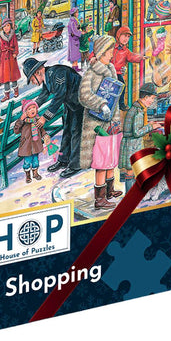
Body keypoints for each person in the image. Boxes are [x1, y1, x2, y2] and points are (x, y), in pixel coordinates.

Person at [78, 35, 124, 210]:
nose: (112, 53)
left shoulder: (111, 68)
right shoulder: (91, 72)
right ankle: (99, 199)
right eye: (109, 50)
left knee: (111, 157)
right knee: (101, 160)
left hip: (111, 122)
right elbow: (84, 95)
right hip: (97, 123)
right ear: (102, 52)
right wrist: (101, 104)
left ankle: (110, 190)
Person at [23, 57, 83, 179]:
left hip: (79, 103)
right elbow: (44, 94)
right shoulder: (47, 76)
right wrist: (32, 106)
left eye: (32, 79)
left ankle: (75, 165)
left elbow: (59, 97)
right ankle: (63, 160)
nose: (33, 83)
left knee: (76, 132)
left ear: (37, 72)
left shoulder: (57, 74)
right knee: (67, 131)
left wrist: (45, 117)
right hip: (70, 104)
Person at [119, 82, 164, 193]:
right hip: (132, 146)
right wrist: (151, 126)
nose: (152, 101)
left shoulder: (136, 108)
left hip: (130, 144)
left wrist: (149, 124)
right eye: (152, 98)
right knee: (131, 171)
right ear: (146, 97)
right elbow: (137, 132)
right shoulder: (138, 112)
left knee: (133, 170)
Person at [110, 26, 145, 110]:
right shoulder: (111, 46)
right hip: (108, 71)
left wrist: (141, 58)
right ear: (118, 35)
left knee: (122, 86)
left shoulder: (126, 51)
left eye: (128, 37)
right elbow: (99, 51)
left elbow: (132, 57)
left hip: (118, 73)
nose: (126, 39)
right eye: (124, 36)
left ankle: (121, 104)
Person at [14, 99, 47, 183]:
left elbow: (41, 130)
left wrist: (45, 135)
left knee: (35, 161)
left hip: (36, 145)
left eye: (34, 108)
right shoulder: (24, 122)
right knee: (27, 162)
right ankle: (28, 175)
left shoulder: (37, 120)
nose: (32, 110)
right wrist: (21, 119)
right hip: (26, 146)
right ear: (25, 112)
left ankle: (35, 173)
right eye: (29, 109)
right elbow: (16, 130)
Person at [0, 18, 21, 102]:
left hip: (11, 58)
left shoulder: (13, 35)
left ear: (10, 26)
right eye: (4, 26)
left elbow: (16, 45)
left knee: (13, 76)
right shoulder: (0, 36)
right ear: (2, 28)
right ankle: (7, 95)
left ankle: (16, 90)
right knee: (5, 78)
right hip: (4, 58)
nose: (6, 28)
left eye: (8, 26)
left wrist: (15, 53)